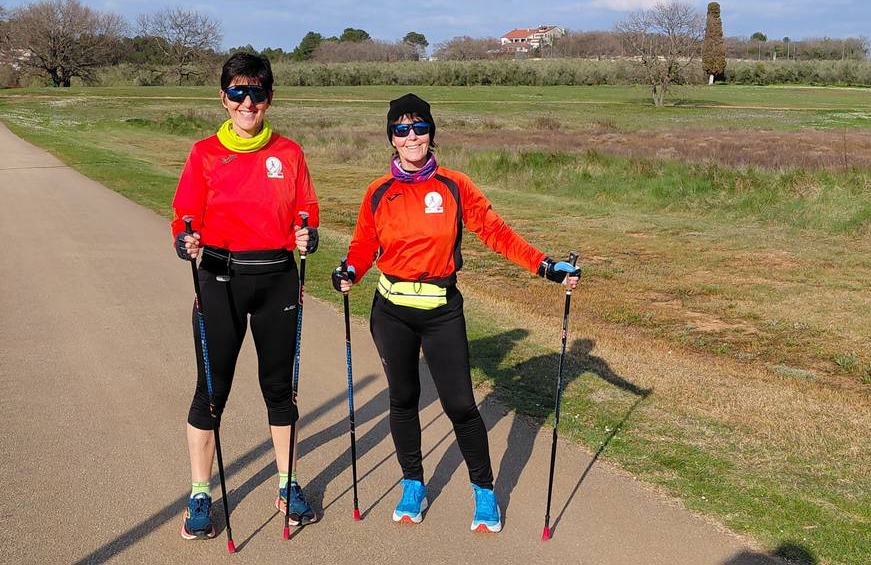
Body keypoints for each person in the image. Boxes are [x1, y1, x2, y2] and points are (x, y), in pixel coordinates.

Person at [332, 93, 581, 533]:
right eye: (402, 129)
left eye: (420, 127)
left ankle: (483, 490)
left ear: (431, 133)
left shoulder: (454, 185)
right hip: (391, 312)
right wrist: (349, 270)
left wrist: (546, 266)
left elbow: (497, 232)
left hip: (441, 312)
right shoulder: (378, 191)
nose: (412, 137)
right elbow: (364, 244)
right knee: (403, 399)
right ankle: (413, 483)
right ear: (391, 137)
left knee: (461, 405)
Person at [171, 52, 320, 540]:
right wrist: (184, 239)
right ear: (223, 97)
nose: (247, 102)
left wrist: (307, 233)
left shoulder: (289, 153)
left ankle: (287, 483)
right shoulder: (204, 153)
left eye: (256, 92)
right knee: (212, 391)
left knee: (280, 390)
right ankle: (200, 493)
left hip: (277, 279)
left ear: (269, 98)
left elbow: (306, 209)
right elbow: (184, 215)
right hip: (220, 279)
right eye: (238, 92)